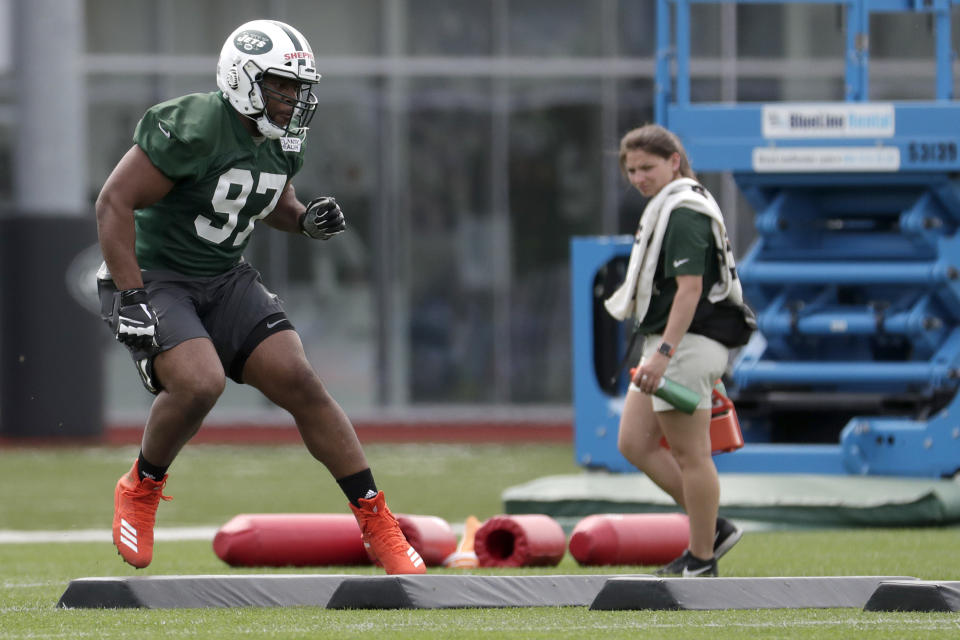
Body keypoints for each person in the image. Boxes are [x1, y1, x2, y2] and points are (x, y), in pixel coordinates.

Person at [95, 19, 424, 575]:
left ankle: (375, 518)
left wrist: (305, 222)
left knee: (300, 380)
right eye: (282, 85)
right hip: (157, 274)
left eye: (299, 87)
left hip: (224, 276)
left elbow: (271, 201)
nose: (294, 98)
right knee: (200, 382)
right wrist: (131, 295)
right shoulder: (194, 124)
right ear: (242, 79)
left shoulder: (282, 137)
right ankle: (142, 485)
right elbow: (113, 202)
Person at [604, 124, 745, 577]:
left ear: (674, 163)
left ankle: (702, 558)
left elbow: (690, 291)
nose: (639, 177)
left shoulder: (684, 211)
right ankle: (713, 529)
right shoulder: (667, 207)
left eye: (648, 167)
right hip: (669, 343)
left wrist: (663, 353)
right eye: (632, 170)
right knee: (633, 442)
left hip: (684, 343)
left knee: (691, 455)